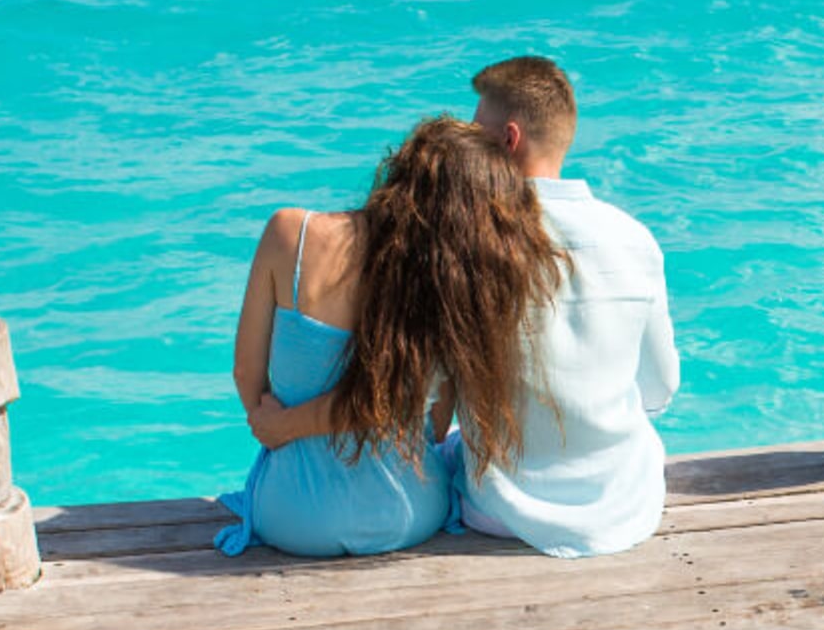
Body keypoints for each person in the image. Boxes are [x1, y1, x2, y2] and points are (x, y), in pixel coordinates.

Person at [220, 117, 566, 558]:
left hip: (292, 519)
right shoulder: (448, 289)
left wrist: (274, 426)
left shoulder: (291, 233)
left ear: (401, 168)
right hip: (409, 515)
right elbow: (436, 428)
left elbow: (245, 370)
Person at [444, 56, 681, 557]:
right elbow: (660, 388)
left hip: (497, 511)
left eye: (476, 134)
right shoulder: (634, 239)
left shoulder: (468, 246)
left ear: (509, 140)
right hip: (623, 504)